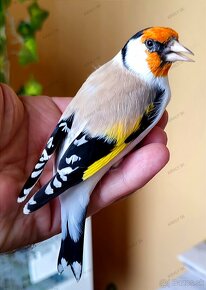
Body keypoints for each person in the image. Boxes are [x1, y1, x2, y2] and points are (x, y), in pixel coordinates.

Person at [0, 83, 169, 253]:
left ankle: (70, 247)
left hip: (70, 153)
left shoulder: (108, 78)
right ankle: (71, 247)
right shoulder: (155, 94)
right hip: (81, 161)